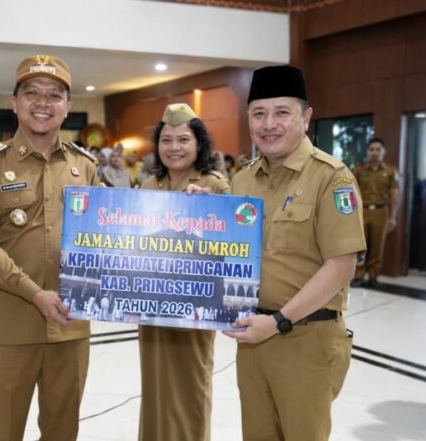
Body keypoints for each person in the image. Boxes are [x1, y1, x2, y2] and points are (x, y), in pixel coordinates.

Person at [224, 65, 364, 441]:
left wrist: (279, 321)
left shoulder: (331, 177)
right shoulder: (242, 179)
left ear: (305, 117)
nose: (269, 123)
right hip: (253, 338)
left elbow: (341, 265)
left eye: (282, 112)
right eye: (259, 113)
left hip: (305, 339)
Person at [0, 54, 99, 440]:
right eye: (32, 93)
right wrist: (35, 293)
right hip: (11, 325)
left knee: (63, 430)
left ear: (68, 107)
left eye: (55, 95)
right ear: (15, 102)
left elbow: (115, 232)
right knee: (4, 430)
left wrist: (191, 203)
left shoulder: (84, 165)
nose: (43, 102)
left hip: (71, 324)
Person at [138, 103, 230, 441]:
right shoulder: (149, 186)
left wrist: (211, 208)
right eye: (166, 140)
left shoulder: (214, 186)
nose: (173, 147)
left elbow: (235, 240)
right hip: (152, 307)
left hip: (194, 309)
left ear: (199, 144)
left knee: (191, 385)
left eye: (183, 139)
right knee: (154, 385)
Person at [351, 138, 399, 288]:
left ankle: (373, 275)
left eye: (378, 149)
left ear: (383, 152)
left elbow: (394, 195)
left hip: (380, 212)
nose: (374, 152)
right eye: (371, 149)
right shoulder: (358, 170)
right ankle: (358, 274)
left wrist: (392, 217)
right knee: (360, 246)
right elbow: (350, 193)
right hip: (361, 211)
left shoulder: (390, 171)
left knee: (378, 246)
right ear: (367, 152)